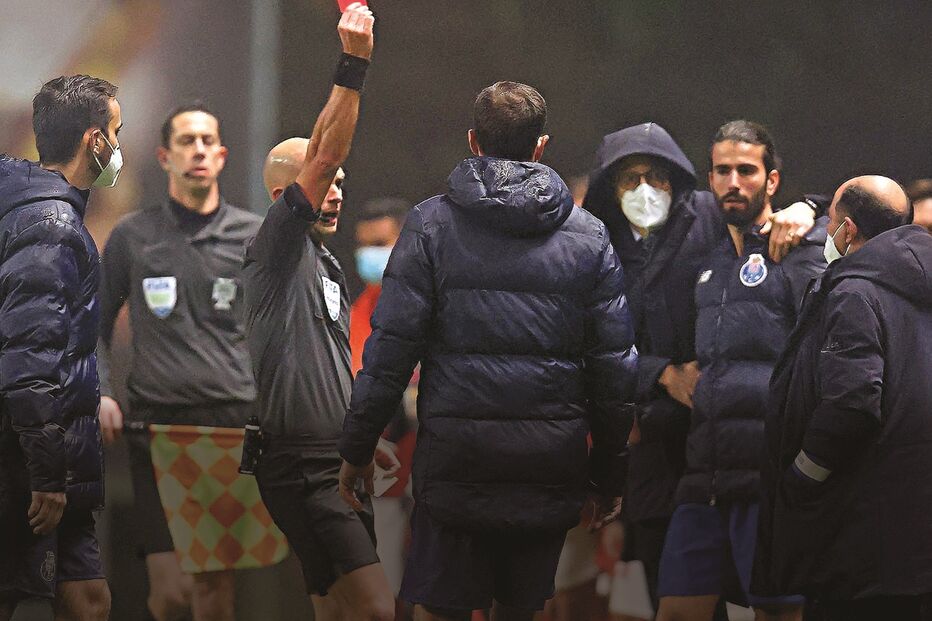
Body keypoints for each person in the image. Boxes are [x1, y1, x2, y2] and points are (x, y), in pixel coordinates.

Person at [338, 80, 639, 621]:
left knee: (439, 608)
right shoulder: (589, 237)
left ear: (473, 141)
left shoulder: (431, 225)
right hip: (548, 468)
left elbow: (390, 352)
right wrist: (608, 474)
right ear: (540, 146)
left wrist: (357, 447)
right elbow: (614, 373)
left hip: (456, 465)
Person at [581, 122, 822, 618]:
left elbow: (779, 209)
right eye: (630, 179)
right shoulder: (592, 249)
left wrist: (808, 208)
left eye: (658, 177)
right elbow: (586, 347)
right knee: (668, 593)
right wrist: (661, 374)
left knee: (764, 598)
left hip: (735, 448)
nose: (645, 190)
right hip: (660, 452)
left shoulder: (707, 223)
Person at [242, 5, 397, 621]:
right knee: (378, 610)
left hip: (333, 456)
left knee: (334, 610)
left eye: (340, 180)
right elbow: (323, 155)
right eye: (322, 180)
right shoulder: (274, 250)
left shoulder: (327, 266)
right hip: (307, 464)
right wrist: (353, 63)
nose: (335, 188)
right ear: (284, 198)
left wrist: (361, 436)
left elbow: (329, 365)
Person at [653, 121, 826, 621]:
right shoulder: (706, 265)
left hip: (768, 485)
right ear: (709, 178)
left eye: (747, 170)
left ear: (771, 181)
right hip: (702, 481)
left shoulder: (801, 253)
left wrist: (810, 206)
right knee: (676, 612)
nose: (734, 182)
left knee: (777, 615)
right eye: (723, 170)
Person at [96, 102, 262, 621]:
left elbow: (281, 331)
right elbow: (94, 326)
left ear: (222, 156)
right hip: (156, 429)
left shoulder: (253, 236)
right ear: (165, 156)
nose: (198, 150)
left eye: (207, 141)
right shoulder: (132, 236)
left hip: (230, 426)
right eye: (187, 141)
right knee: (170, 592)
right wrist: (101, 390)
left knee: (214, 589)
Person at [753, 176, 932, 621]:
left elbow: (850, 405)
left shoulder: (854, 292)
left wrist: (802, 474)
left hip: (858, 534)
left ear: (848, 230)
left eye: (830, 219)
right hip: (913, 534)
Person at [0, 74, 120, 621]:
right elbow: (32, 357)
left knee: (89, 600)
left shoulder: (52, 211)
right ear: (95, 141)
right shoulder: (51, 222)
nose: (119, 146)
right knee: (32, 602)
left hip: (61, 457)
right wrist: (46, 474)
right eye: (116, 131)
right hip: (31, 463)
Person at [351, 197, 418, 620]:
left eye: (382, 242)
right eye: (365, 246)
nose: (372, 255)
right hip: (385, 473)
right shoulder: (359, 309)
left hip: (434, 465)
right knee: (388, 590)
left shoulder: (433, 299)